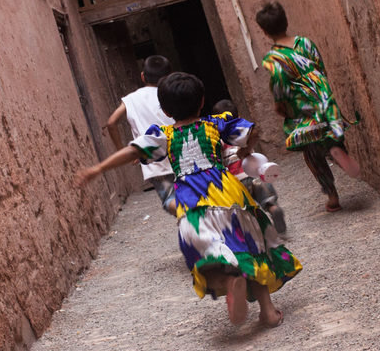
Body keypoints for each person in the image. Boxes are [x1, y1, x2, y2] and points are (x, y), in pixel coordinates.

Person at [75, 72, 301, 327]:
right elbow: (251, 131)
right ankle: (268, 311)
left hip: (193, 200)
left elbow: (132, 151)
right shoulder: (216, 124)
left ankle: (229, 277)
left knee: (208, 245)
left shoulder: (164, 135)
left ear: (166, 111)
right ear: (202, 101)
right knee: (253, 244)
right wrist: (246, 150)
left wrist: (98, 169)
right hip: (229, 191)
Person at [256, 1, 360, 212]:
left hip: (300, 107)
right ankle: (336, 148)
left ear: (265, 32)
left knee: (311, 151)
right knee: (329, 132)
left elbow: (279, 84)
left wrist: (280, 105)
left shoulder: (273, 58)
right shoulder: (306, 42)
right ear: (286, 21)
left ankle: (331, 195)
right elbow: (320, 67)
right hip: (321, 95)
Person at [105, 55, 176, 216]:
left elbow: (111, 122)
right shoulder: (172, 93)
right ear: (169, 76)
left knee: (169, 199)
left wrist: (124, 152)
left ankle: (186, 216)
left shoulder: (131, 99)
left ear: (143, 76)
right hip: (179, 154)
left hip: (154, 162)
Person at [211, 99, 287, 236]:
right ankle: (274, 209)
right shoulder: (244, 132)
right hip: (256, 175)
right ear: (238, 116)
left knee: (245, 208)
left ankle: (255, 229)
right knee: (267, 200)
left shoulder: (218, 138)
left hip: (237, 181)